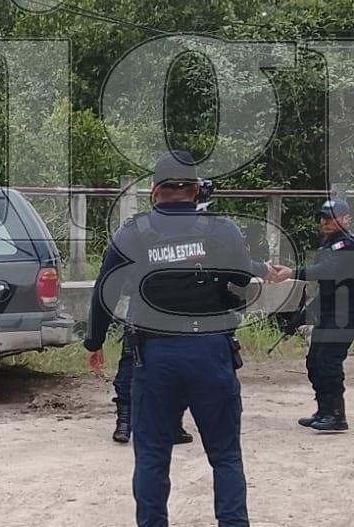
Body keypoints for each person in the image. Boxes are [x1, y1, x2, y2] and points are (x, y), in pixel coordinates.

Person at [84, 150, 293, 527]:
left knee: (151, 456)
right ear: (196, 190)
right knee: (225, 456)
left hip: (154, 356)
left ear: (154, 192)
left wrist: (94, 341)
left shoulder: (133, 233)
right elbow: (242, 280)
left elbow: (105, 291)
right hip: (211, 354)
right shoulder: (222, 229)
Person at [294, 198, 354, 432]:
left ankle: (337, 415)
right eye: (323, 217)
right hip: (329, 311)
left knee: (329, 361)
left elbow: (329, 271)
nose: (325, 222)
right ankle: (324, 410)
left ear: (346, 219)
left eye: (331, 217)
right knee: (315, 361)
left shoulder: (352, 245)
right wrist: (306, 312)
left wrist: (293, 273)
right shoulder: (328, 244)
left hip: (345, 314)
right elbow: (327, 285)